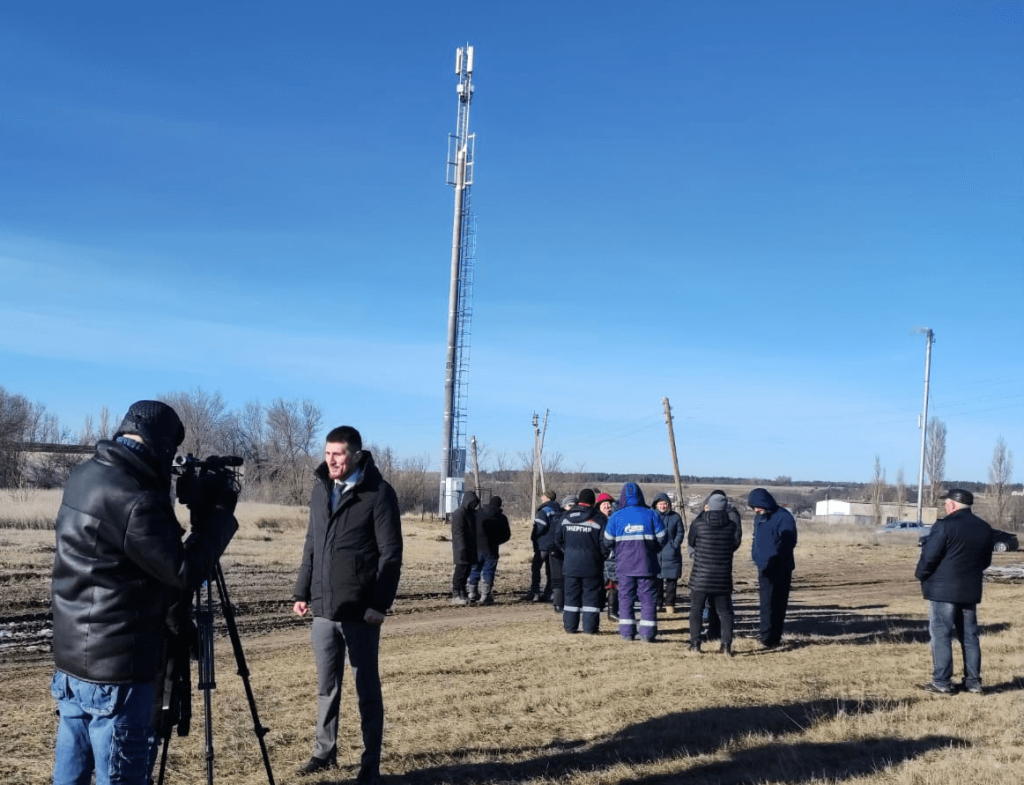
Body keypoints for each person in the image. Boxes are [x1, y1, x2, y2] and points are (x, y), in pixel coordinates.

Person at [50, 400, 239, 785]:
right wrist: (217, 517)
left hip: (72, 664)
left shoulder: (85, 475)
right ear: (163, 449)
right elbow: (182, 571)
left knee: (70, 775)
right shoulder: (136, 499)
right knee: (122, 777)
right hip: (116, 672)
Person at [292, 426, 403, 783]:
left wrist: (380, 604)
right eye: (327, 453)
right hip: (324, 610)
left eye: (338, 454)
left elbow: (391, 554)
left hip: (361, 611)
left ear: (355, 454)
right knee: (327, 687)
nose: (331, 460)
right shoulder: (320, 489)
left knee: (366, 689)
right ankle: (324, 752)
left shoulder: (379, 494)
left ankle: (370, 763)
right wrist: (302, 592)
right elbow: (312, 543)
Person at [915, 488, 994, 695]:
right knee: (969, 637)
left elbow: (930, 556)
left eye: (945, 503)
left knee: (941, 634)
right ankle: (973, 682)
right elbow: (985, 561)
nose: (944, 506)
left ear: (951, 504)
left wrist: (921, 574)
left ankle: (942, 682)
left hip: (942, 589)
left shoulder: (944, 525)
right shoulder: (985, 528)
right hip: (970, 589)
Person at [603, 483, 667, 642]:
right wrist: (653, 549)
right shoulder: (651, 514)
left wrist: (619, 549)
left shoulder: (616, 517)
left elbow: (607, 541)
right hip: (647, 565)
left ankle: (626, 632)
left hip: (624, 565)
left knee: (625, 599)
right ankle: (647, 633)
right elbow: (663, 538)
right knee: (648, 600)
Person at [687, 492, 743, 654]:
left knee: (696, 609)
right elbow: (734, 544)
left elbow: (691, 542)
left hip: (700, 575)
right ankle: (726, 646)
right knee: (725, 612)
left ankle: (695, 644)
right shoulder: (731, 526)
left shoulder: (698, 524)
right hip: (722, 576)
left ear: (708, 507)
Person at [748, 488, 797, 649]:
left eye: (758, 506)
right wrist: (755, 554)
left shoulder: (784, 517)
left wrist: (777, 560)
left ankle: (773, 637)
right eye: (753, 507)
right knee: (765, 603)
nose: (756, 510)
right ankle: (765, 635)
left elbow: (788, 542)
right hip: (764, 567)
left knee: (778, 603)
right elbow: (756, 537)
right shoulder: (759, 518)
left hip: (781, 567)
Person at [554, 489, 607, 634]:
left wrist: (568, 551)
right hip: (592, 565)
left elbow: (558, 539)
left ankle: (570, 627)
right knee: (591, 597)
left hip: (570, 565)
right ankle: (590, 628)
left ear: (579, 501)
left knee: (571, 597)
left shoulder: (565, 517)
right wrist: (602, 556)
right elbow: (604, 543)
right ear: (594, 502)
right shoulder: (599, 518)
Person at [467, 495, 512, 605]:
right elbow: (507, 535)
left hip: (476, 547)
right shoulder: (502, 518)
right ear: (500, 505)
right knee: (489, 570)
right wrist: (496, 542)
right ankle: (485, 595)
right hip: (491, 549)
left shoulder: (478, 513)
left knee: (475, 569)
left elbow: (470, 528)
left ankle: (472, 593)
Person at [652, 492, 685, 613]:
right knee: (657, 581)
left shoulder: (675, 517)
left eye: (664, 504)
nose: (662, 506)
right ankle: (658, 603)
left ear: (668, 504)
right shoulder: (652, 516)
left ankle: (670, 604)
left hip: (671, 554)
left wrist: (674, 545)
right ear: (656, 505)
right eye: (660, 504)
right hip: (655, 553)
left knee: (671, 581)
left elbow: (680, 532)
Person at [526, 489, 560, 602]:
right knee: (550, 570)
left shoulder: (544, 510)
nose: (541, 498)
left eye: (543, 496)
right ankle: (549, 593)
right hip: (555, 545)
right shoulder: (559, 510)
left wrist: (534, 537)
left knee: (536, 568)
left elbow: (540, 527)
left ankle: (534, 591)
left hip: (543, 545)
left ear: (547, 497)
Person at [449, 489, 481, 605]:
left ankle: (463, 592)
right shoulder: (459, 513)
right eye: (473, 503)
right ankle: (456, 593)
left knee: (466, 571)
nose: (474, 506)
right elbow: (458, 532)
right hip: (461, 548)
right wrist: (462, 547)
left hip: (470, 547)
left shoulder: (470, 514)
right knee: (460, 571)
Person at [595, 492, 618, 621]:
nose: (607, 507)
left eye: (609, 505)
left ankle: (612, 612)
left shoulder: (615, 520)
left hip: (613, 558)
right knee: (599, 584)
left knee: (613, 585)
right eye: (604, 505)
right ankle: (597, 608)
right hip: (598, 557)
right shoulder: (595, 520)